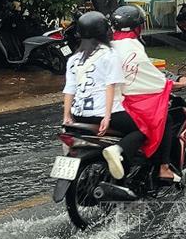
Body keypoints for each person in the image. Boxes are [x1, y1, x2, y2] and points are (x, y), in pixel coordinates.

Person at [110, 5, 186, 183]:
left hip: (94, 108)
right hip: (121, 104)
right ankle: (163, 168)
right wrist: (175, 84)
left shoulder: (106, 47)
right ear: (138, 27)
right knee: (164, 119)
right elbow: (150, 79)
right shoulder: (131, 47)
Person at [62, 11, 144, 180]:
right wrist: (106, 117)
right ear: (105, 32)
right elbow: (110, 87)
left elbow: (69, 89)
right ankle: (118, 151)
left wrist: (67, 116)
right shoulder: (109, 54)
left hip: (78, 115)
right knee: (142, 129)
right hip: (101, 114)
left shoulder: (73, 59)